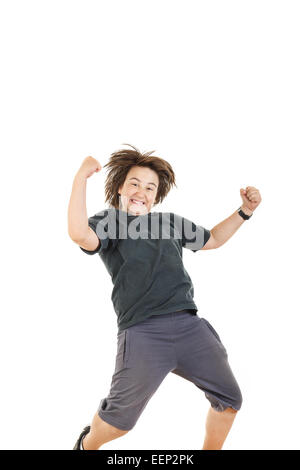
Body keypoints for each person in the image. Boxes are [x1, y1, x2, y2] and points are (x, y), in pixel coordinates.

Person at [68, 144, 262, 450]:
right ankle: (87, 444)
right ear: (120, 187)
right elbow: (80, 234)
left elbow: (212, 239)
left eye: (150, 187)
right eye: (134, 183)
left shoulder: (168, 222)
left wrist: (245, 212)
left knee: (229, 399)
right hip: (143, 332)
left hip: (190, 327)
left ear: (156, 196)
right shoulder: (108, 221)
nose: (141, 191)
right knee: (120, 422)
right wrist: (81, 178)